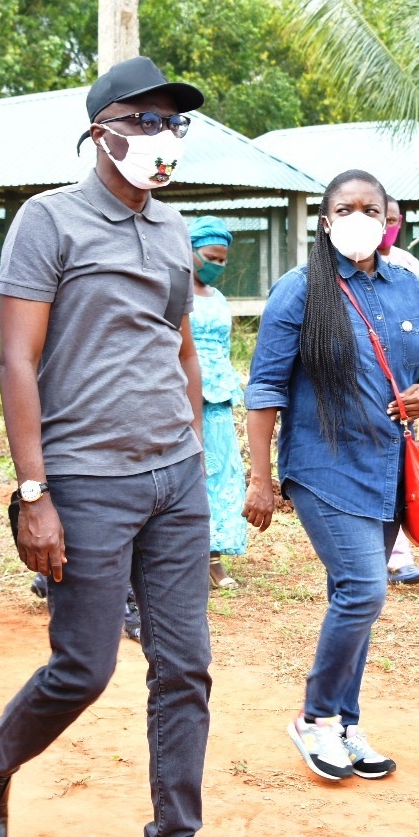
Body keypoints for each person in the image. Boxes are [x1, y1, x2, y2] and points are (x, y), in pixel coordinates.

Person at [0, 57, 263, 837]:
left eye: (173, 123)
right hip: (85, 479)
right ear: (100, 131)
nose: (161, 138)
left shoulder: (173, 229)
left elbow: (177, 341)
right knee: (83, 666)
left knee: (186, 666)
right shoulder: (47, 221)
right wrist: (33, 492)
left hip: (174, 477)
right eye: (143, 120)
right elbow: (16, 358)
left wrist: (203, 444)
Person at [244, 169, 419, 781]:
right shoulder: (300, 290)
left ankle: (347, 721)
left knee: (354, 598)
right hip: (322, 468)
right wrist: (260, 479)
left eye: (371, 208)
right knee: (364, 588)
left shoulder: (407, 287)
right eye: (345, 208)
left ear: (390, 219)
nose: (359, 217)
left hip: (387, 466)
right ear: (326, 219)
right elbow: (264, 388)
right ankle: (314, 719)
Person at [187, 215, 249, 588]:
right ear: (190, 252)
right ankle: (191, 555)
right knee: (192, 473)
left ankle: (215, 554)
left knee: (222, 473)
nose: (218, 266)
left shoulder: (220, 299)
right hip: (184, 396)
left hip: (219, 397)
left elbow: (223, 349)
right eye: (212, 257)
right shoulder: (173, 293)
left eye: (224, 260)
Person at [377, 197, 419, 587]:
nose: (388, 226)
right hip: (364, 382)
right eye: (384, 219)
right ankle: (374, 555)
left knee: (400, 467)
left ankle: (397, 553)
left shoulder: (407, 266)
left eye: (395, 220)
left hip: (403, 386)